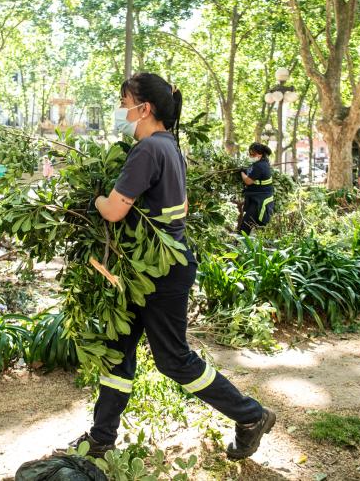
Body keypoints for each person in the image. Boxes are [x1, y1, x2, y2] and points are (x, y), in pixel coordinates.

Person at [66, 73, 275, 461]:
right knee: (118, 350)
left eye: (124, 101)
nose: (121, 110)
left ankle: (251, 415)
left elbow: (113, 210)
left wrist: (93, 200)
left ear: (144, 109)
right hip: (148, 268)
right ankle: (100, 438)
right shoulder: (169, 146)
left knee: (173, 359)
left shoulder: (146, 150)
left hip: (161, 271)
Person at [239, 143, 275, 233]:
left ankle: (238, 244)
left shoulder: (260, 166)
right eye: (250, 154)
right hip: (259, 197)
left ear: (260, 154)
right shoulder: (262, 163)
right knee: (251, 225)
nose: (251, 156)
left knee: (245, 226)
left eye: (253, 154)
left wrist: (242, 172)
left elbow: (248, 181)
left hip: (260, 201)